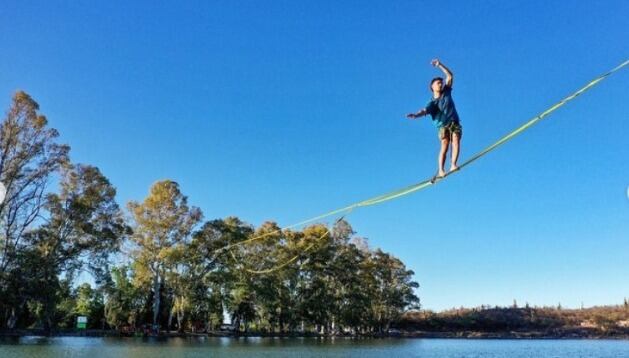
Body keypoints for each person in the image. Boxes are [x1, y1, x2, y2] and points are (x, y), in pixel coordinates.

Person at [406, 59, 462, 179]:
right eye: (437, 83)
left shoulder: (446, 92)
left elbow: (450, 75)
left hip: (454, 121)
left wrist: (439, 65)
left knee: (456, 140)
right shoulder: (432, 103)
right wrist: (416, 115)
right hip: (442, 126)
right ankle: (441, 170)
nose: (440, 84)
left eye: (441, 82)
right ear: (432, 87)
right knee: (445, 145)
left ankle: (453, 164)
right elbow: (424, 111)